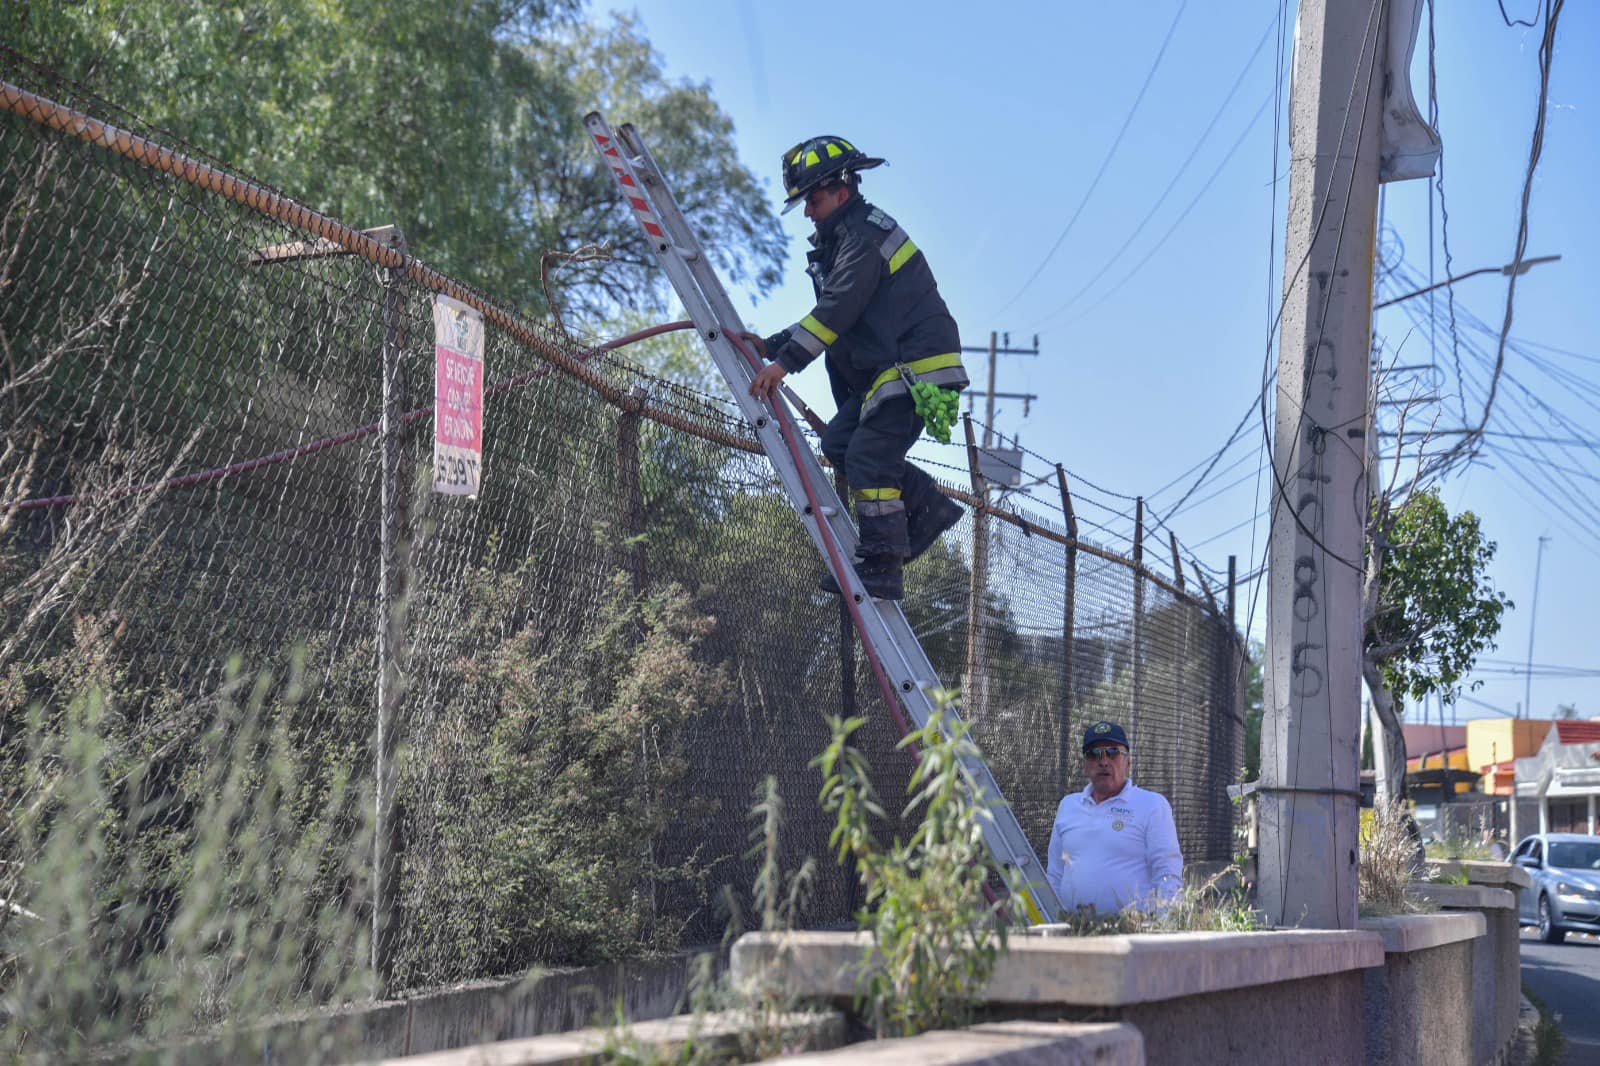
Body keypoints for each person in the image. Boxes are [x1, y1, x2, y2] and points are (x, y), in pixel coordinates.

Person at [743, 135, 967, 601]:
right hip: (890, 370)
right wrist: (771, 344)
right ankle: (927, 506)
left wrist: (783, 362)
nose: (808, 212)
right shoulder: (847, 238)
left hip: (914, 367)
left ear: (841, 190)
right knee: (841, 443)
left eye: (815, 200)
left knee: (867, 456)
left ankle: (883, 565)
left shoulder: (863, 236)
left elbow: (839, 309)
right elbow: (837, 313)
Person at [1046, 720, 1184, 917]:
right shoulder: (1068, 806)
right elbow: (1055, 874)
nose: (1103, 761)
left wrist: (1162, 928)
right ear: (1085, 765)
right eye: (1094, 754)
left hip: (1132, 934)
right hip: (1075, 933)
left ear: (1127, 762)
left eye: (1112, 752)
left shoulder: (1152, 805)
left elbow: (1167, 874)